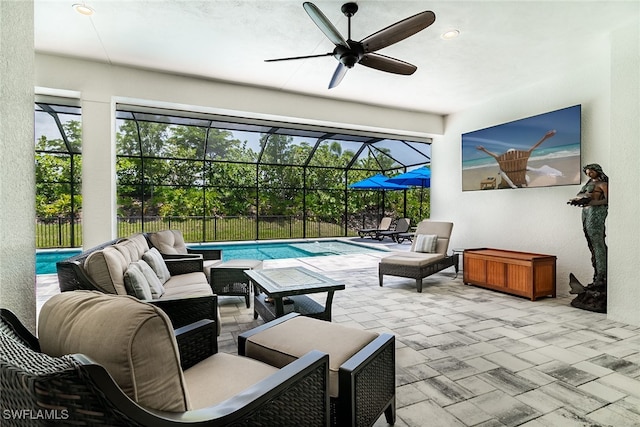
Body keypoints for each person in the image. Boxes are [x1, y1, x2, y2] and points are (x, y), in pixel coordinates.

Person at [568, 163, 608, 288]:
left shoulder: (603, 184)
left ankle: (602, 275)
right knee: (590, 242)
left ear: (597, 171)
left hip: (595, 212)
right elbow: (580, 194)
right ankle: (596, 274)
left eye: (591, 172)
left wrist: (593, 202)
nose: (589, 174)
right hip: (585, 211)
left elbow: (608, 200)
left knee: (597, 243)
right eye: (587, 173)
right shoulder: (588, 184)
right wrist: (578, 200)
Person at [476, 130, 557, 188]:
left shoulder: (501, 160)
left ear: (507, 153)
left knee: (501, 171)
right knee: (526, 174)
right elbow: (533, 147)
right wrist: (545, 137)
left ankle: (511, 184)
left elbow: (493, 155)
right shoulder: (522, 159)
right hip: (519, 181)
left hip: (505, 184)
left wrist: (484, 150)